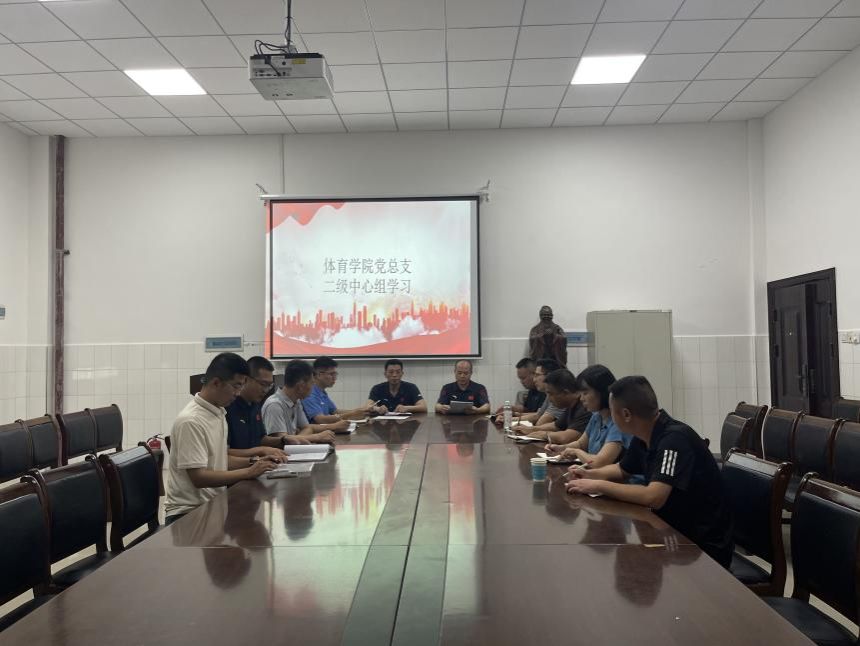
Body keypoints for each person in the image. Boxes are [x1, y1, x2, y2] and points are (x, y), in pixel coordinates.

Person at [565, 376, 734, 568]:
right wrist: (588, 475)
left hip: (700, 544)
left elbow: (654, 497)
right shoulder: (644, 434)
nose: (611, 416)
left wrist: (597, 485)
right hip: (670, 527)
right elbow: (622, 469)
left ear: (626, 414)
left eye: (612, 411)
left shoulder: (674, 440)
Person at [165, 353, 278, 523]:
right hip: (188, 513)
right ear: (216, 383)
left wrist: (255, 461)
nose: (238, 393)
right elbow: (199, 478)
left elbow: (221, 459)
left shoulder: (218, 412)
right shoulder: (191, 420)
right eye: (236, 386)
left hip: (215, 505)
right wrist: (248, 472)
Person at [545, 364, 632, 469]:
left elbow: (600, 462)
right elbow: (581, 444)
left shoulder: (618, 422)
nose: (581, 399)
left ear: (602, 391)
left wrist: (576, 452)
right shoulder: (596, 416)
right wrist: (561, 448)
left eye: (585, 393)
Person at [225, 356, 310, 454]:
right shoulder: (228, 406)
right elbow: (224, 453)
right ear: (246, 379)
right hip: (245, 462)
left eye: (269, 385)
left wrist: (283, 440)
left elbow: (261, 439)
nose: (265, 390)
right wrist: (260, 451)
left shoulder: (255, 405)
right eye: (263, 384)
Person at [261, 359, 349, 443]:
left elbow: (307, 428)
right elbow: (282, 441)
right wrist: (317, 437)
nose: (313, 388)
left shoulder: (296, 401)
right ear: (301, 386)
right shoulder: (275, 405)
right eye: (312, 383)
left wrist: (298, 437)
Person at [304, 356, 374, 423]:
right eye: (332, 374)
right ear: (319, 375)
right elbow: (321, 420)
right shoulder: (309, 392)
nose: (335, 378)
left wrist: (361, 411)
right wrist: (352, 414)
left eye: (335, 374)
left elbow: (335, 412)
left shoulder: (321, 392)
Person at [538, 368, 591, 443]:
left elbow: (566, 437)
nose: (549, 399)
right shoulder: (571, 405)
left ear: (565, 392)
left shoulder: (585, 408)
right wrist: (531, 429)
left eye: (551, 394)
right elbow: (556, 426)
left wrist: (543, 434)